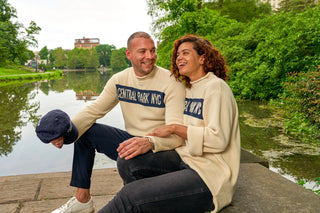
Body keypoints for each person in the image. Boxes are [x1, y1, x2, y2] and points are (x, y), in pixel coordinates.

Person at [97, 35, 241, 213]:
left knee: (129, 196)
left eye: (186, 53)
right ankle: (145, 204)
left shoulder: (216, 88)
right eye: (178, 54)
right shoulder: (189, 87)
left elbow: (219, 140)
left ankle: (136, 203)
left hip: (209, 175)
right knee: (128, 161)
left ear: (202, 58)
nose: (179, 57)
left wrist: (174, 128)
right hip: (184, 159)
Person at [45, 31, 185, 213]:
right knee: (85, 130)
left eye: (153, 51)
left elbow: (178, 136)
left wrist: (149, 142)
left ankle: (134, 200)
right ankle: (83, 200)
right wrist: (65, 133)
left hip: (165, 150)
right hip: (134, 141)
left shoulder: (171, 82)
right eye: (142, 52)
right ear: (129, 54)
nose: (149, 57)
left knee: (130, 160)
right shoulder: (120, 80)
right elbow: (93, 110)